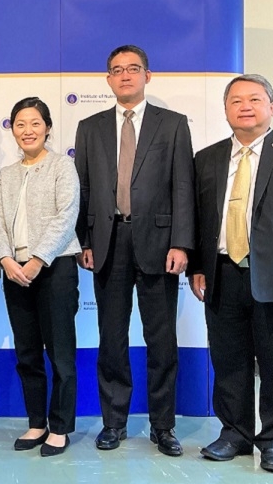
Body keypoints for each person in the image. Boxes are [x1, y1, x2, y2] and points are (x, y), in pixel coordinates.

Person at [189, 74, 273, 473]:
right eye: (235, 100)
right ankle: (234, 433)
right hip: (222, 273)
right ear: (226, 109)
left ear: (271, 106)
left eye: (254, 99)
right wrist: (199, 266)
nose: (244, 106)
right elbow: (201, 219)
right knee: (229, 359)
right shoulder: (208, 158)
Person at [74, 44, 194, 456]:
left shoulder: (173, 124)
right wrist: (84, 241)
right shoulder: (89, 127)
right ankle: (114, 423)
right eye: (116, 70)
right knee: (111, 338)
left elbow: (183, 186)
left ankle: (164, 426)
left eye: (133, 68)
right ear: (108, 79)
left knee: (161, 341)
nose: (125, 75)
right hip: (108, 243)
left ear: (148, 75)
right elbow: (84, 189)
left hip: (160, 246)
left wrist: (181, 242)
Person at [0, 97, 81, 457]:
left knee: (60, 352)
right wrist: (4, 259)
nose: (27, 131)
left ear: (47, 127)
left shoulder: (63, 166)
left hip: (55, 268)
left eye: (34, 123)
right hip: (15, 272)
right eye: (20, 124)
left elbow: (67, 215)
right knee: (27, 351)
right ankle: (36, 422)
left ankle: (59, 426)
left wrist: (37, 260)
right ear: (12, 129)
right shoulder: (7, 174)